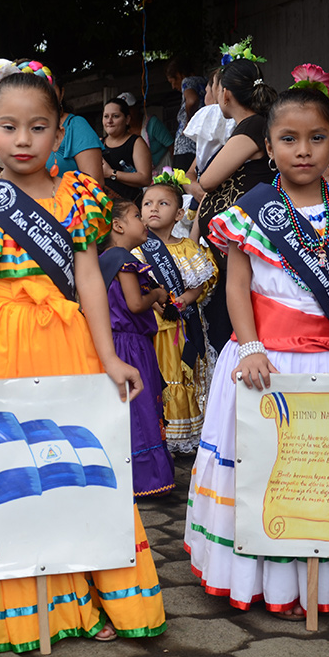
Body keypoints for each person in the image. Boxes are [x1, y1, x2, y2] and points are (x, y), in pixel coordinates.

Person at [0, 62, 166, 653]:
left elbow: (90, 280)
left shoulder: (82, 197)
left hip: (65, 343)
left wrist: (108, 359)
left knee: (67, 459)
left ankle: (74, 593)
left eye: (38, 127)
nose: (23, 139)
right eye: (9, 126)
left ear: (59, 131)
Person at [185, 86, 329, 620]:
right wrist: (251, 347)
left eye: (317, 138)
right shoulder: (249, 213)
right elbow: (236, 287)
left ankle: (323, 585)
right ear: (268, 147)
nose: (303, 150)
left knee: (324, 472)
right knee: (265, 470)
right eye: (288, 139)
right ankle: (260, 581)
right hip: (265, 362)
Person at [195, 54, 279, 352]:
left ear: (226, 94)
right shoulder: (253, 125)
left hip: (245, 241)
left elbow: (207, 180)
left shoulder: (252, 127)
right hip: (235, 244)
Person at [135, 173, 218, 453]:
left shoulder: (188, 248)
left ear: (180, 213)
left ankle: (180, 436)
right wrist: (159, 303)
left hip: (183, 328)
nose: (154, 209)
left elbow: (201, 282)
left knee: (182, 375)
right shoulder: (136, 251)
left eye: (163, 203)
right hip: (153, 329)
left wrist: (185, 299)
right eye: (147, 204)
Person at [99, 200, 174, 496]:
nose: (143, 220)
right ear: (117, 226)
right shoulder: (123, 260)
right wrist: (156, 293)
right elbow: (135, 304)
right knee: (140, 408)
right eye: (135, 216)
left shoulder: (104, 260)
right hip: (130, 345)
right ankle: (148, 479)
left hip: (115, 340)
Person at [101, 97, 153, 201]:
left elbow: (145, 178)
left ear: (127, 119)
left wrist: (111, 173)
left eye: (115, 116)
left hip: (130, 205)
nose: (109, 121)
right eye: (106, 116)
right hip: (105, 205)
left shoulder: (136, 142)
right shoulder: (99, 143)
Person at [167, 56, 206, 169]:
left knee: (181, 182)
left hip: (186, 146)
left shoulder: (187, 81)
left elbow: (192, 100)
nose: (173, 86)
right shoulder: (205, 81)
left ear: (179, 75)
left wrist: (189, 121)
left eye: (173, 81)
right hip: (200, 144)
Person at [119, 92, 174, 170]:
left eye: (129, 109)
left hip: (163, 167)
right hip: (143, 173)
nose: (127, 114)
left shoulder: (152, 123)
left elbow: (171, 146)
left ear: (136, 107)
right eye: (123, 111)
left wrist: (174, 170)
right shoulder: (122, 131)